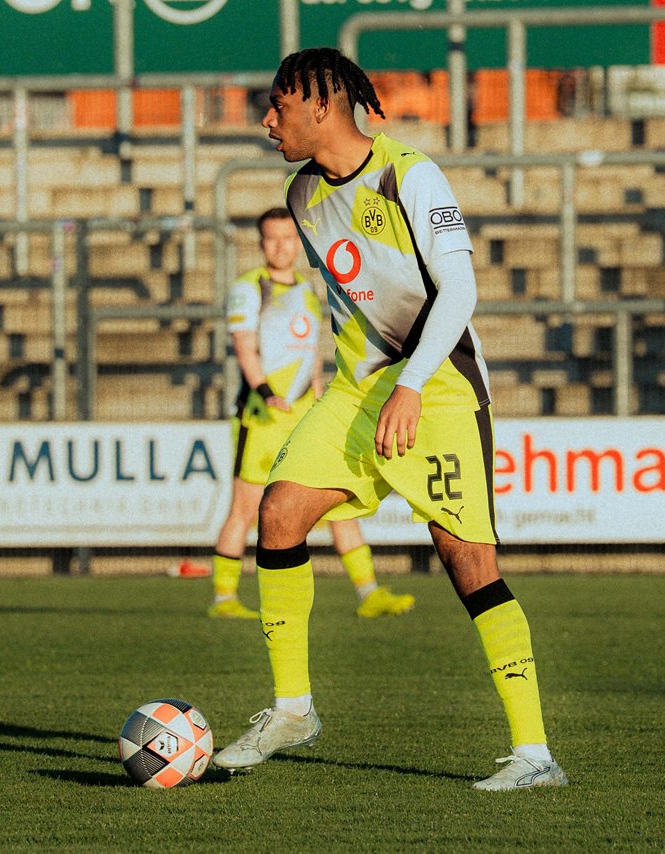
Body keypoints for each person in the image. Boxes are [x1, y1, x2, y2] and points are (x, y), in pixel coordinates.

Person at [212, 47, 568, 791]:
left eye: (278, 105)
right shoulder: (302, 196)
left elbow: (460, 291)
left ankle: (535, 755)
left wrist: (409, 387)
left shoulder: (413, 174)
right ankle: (293, 710)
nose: (267, 119)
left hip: (436, 389)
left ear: (323, 105)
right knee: (278, 515)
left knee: (468, 563)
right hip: (356, 391)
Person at [205, 208, 416, 621]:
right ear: (261, 242)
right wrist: (266, 393)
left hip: (304, 415)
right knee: (245, 509)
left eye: (288, 237)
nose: (281, 246)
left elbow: (312, 355)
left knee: (336, 497)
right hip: (261, 416)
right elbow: (244, 348)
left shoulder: (305, 289)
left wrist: (321, 396)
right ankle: (223, 598)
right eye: (272, 238)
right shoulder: (250, 288)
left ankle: (369, 592)